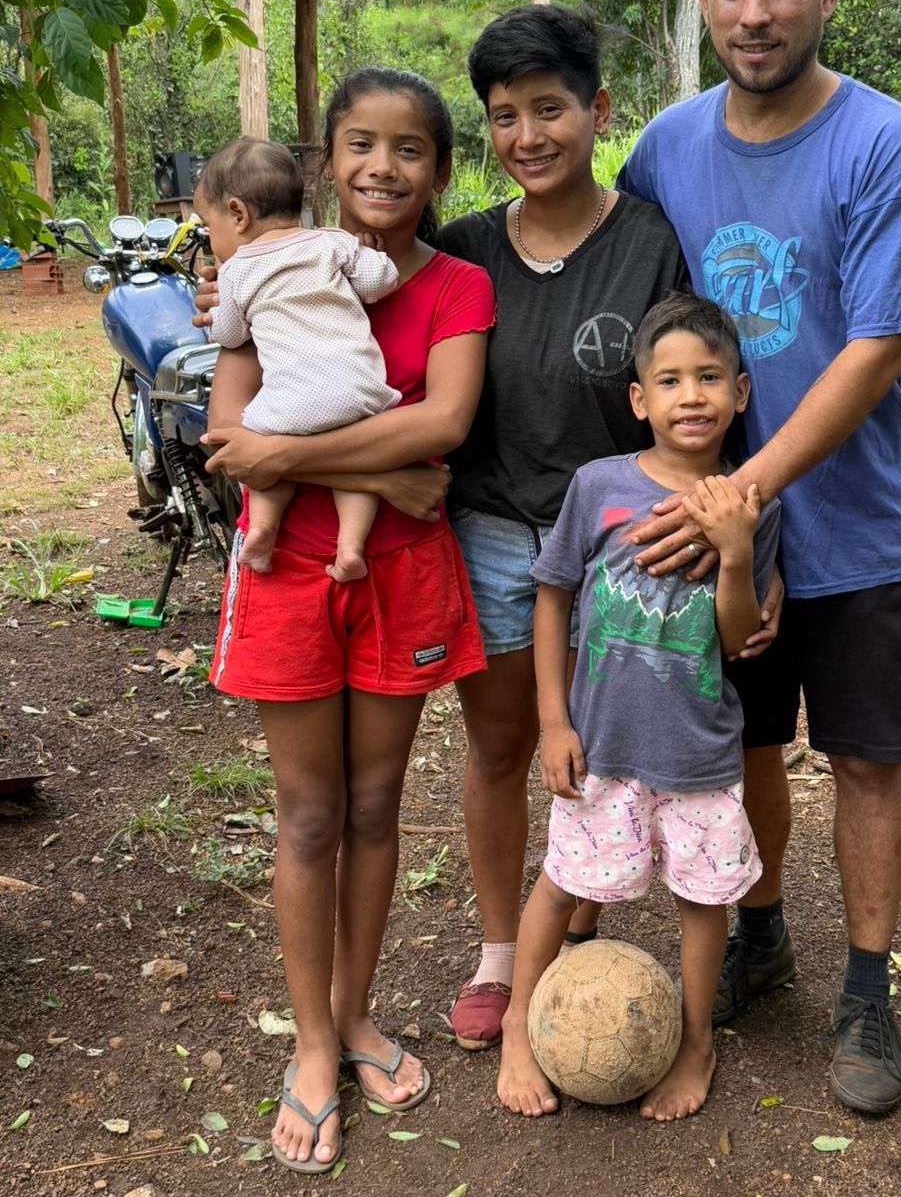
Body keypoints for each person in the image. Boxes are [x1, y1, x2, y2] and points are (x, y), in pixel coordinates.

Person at [616, 0, 901, 1116]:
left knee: (865, 753)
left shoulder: (883, 142)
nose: (755, 13)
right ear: (702, 0)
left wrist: (745, 487)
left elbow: (874, 347)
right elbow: (633, 315)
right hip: (721, 543)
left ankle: (868, 985)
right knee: (742, 744)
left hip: (856, 522)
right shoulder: (664, 148)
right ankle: (762, 933)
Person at [196, 68, 495, 1172]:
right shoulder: (265, 268)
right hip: (290, 575)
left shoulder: (459, 285)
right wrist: (390, 465)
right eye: (360, 144)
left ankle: (358, 1012)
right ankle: (313, 1044)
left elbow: (449, 420)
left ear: (437, 172)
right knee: (309, 814)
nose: (382, 166)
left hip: (403, 573)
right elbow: (233, 441)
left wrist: (303, 455)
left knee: (376, 805)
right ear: (326, 161)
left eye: (408, 149)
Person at [435, 5, 710, 1051]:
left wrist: (726, 524)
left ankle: (580, 914)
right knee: (506, 743)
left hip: (623, 550)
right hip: (499, 537)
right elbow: (350, 313)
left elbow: (688, 387)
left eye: (550, 109)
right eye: (505, 117)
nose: (528, 137)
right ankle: (505, 952)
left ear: (597, 110)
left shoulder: (646, 243)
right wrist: (236, 297)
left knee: (602, 741)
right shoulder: (461, 252)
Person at [496, 295, 781, 1122]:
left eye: (708, 378)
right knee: (561, 883)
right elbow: (551, 596)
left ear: (741, 391)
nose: (690, 395)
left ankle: (694, 1044)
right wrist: (554, 720)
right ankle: (519, 1021)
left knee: (702, 900)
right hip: (604, 747)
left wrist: (733, 551)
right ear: (638, 400)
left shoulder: (754, 505)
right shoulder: (599, 486)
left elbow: (736, 639)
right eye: (670, 380)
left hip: (698, 752)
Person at [197, 136, 403, 583]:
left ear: (238, 214)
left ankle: (264, 528)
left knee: (265, 446)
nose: (211, 241)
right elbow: (380, 282)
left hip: (290, 402)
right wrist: (371, 253)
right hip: (359, 390)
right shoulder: (331, 242)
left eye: (208, 227)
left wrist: (213, 317)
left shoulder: (237, 269)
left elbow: (231, 334)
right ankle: (351, 547)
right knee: (364, 460)